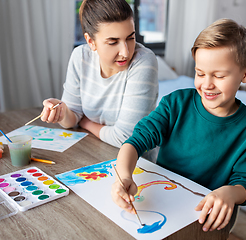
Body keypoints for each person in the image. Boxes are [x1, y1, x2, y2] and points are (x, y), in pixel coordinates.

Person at [111, 18, 246, 232]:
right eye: (200, 73)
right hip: (162, 200)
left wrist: (230, 193)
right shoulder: (175, 103)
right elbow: (135, 142)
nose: (207, 84)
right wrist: (124, 177)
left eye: (219, 75)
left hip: (204, 215)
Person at [40, 0, 158, 148]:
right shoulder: (80, 57)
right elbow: (72, 120)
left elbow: (126, 138)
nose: (125, 52)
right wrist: (61, 112)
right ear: (91, 41)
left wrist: (86, 123)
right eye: (113, 42)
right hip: (94, 150)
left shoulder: (143, 61)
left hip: (138, 164)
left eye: (130, 38)